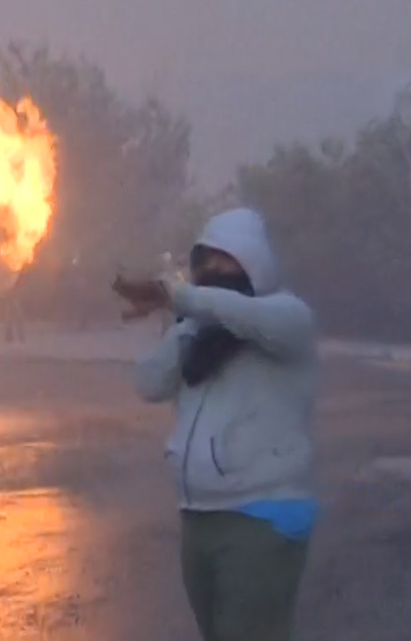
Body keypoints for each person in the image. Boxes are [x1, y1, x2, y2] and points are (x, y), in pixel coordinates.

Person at [113, 208, 318, 641]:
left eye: (225, 260)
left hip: (262, 518)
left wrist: (182, 297)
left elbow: (242, 315)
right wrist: (186, 324)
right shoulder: (201, 330)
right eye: (204, 261)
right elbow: (149, 383)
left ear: (254, 263)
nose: (212, 270)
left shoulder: (288, 317)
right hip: (200, 520)